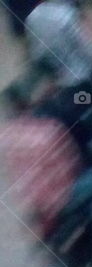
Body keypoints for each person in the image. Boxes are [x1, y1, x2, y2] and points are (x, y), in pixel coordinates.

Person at [25, 0, 92, 156]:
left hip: (63, 84)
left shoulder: (32, 18)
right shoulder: (66, 15)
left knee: (80, 125)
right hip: (84, 78)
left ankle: (89, 157)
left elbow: (37, 54)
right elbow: (87, 48)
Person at [0, 79, 81, 240]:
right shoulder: (48, 130)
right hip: (62, 196)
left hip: (34, 203)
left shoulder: (5, 138)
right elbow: (71, 164)